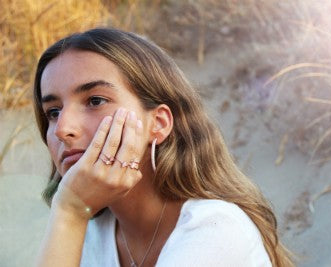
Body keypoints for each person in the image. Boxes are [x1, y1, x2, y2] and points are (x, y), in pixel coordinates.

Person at [33, 28, 293, 267]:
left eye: (95, 100)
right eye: (53, 111)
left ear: (158, 123)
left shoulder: (217, 228)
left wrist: (70, 210)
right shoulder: (88, 235)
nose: (62, 128)